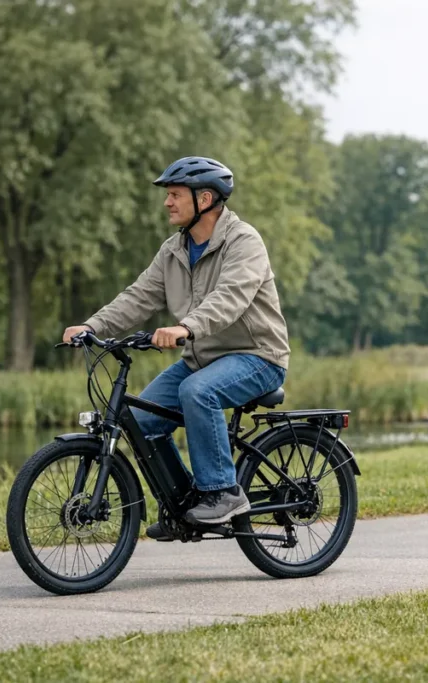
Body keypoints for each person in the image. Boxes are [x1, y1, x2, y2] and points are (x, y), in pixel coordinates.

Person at [61, 156, 290, 538]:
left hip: (257, 356)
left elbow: (231, 297)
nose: (167, 202)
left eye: (175, 195)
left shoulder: (244, 241)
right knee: (143, 424)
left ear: (205, 198)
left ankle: (222, 492)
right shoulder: (173, 250)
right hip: (202, 359)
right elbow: (139, 297)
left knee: (197, 391)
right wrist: (92, 325)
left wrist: (186, 326)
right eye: (167, 196)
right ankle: (185, 505)